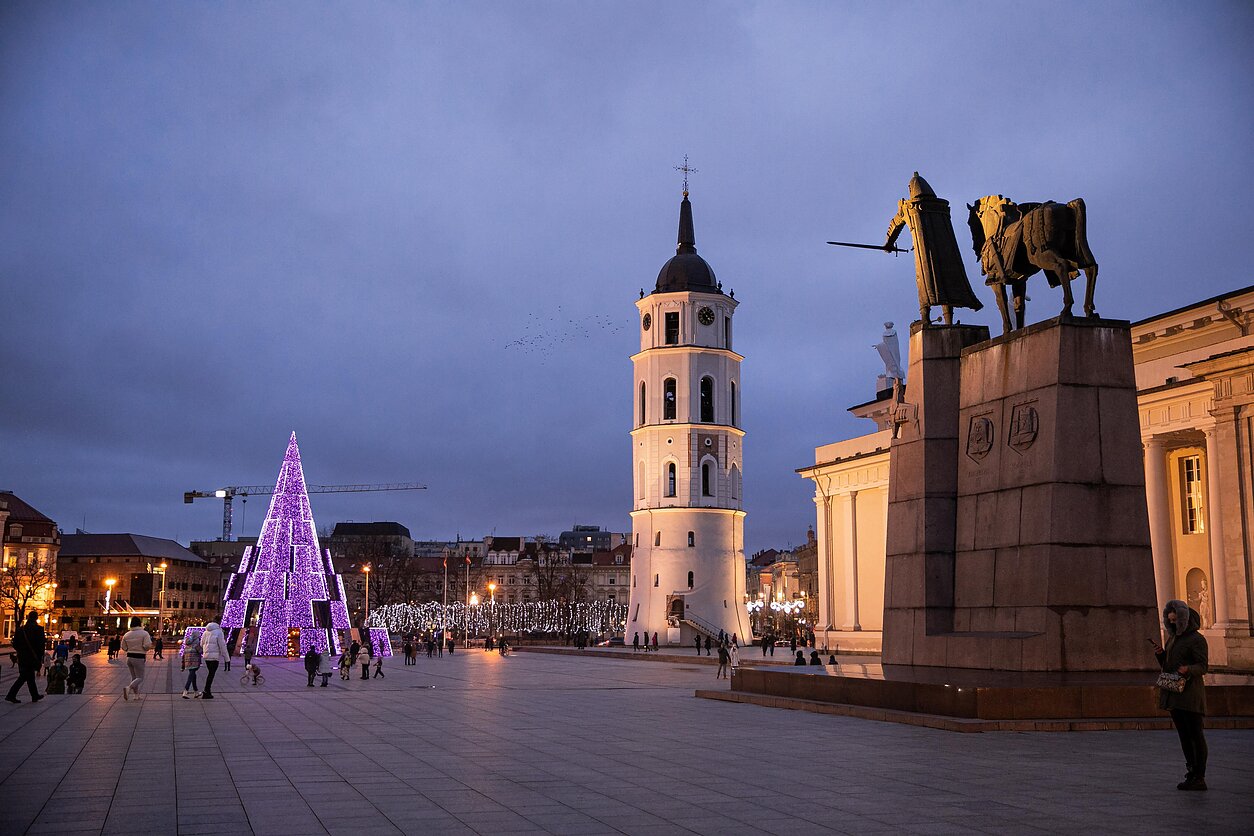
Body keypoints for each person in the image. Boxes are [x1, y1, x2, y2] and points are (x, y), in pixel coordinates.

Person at [883, 171, 984, 326]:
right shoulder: (941, 207)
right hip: (947, 253)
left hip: (925, 255)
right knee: (946, 281)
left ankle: (925, 318)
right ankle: (948, 320)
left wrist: (888, 244)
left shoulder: (909, 207)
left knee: (925, 282)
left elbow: (895, 224)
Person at [1155, 599, 1209, 791]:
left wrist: (1189, 669)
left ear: (1183, 619)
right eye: (1169, 621)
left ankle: (1200, 775)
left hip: (1191, 695)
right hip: (1175, 695)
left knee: (1195, 734)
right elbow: (1168, 665)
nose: (1172, 624)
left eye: (1174, 621)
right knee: (1184, 736)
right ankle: (1191, 772)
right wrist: (1161, 654)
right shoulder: (1174, 638)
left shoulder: (1197, 639)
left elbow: (1203, 666)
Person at [5, 612, 46, 704]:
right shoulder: (38, 629)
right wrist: (39, 658)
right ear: (36, 618)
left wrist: (21, 651)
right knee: (24, 677)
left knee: (29, 677)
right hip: (33, 657)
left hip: (22, 657)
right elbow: (41, 645)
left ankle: (35, 695)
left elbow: (14, 644)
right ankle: (11, 695)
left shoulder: (20, 629)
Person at [120, 618, 153, 701]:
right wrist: (143, 649)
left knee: (134, 677)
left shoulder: (127, 634)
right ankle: (128, 688)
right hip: (139, 657)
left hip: (129, 657)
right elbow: (147, 645)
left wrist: (129, 649)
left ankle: (136, 695)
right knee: (140, 677)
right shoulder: (144, 634)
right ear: (140, 624)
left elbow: (123, 647)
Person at [200, 621, 229, 699]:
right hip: (214, 657)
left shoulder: (205, 632)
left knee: (210, 673)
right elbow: (222, 645)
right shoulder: (219, 632)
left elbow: (201, 643)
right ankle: (206, 691)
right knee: (211, 674)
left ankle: (207, 691)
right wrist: (227, 658)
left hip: (206, 657)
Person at [181, 631, 203, 698]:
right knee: (191, 676)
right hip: (195, 662)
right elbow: (201, 651)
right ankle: (185, 691)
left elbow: (183, 655)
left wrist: (183, 665)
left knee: (193, 676)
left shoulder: (187, 645)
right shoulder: (196, 644)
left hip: (188, 662)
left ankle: (196, 692)